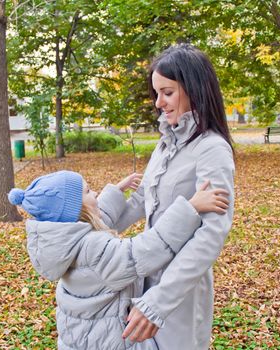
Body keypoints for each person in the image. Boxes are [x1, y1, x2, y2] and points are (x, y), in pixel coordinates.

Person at [98, 44, 235, 349]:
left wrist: (159, 301)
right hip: (145, 275)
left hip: (181, 294)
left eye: (167, 92)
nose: (159, 102)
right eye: (156, 93)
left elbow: (212, 233)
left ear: (194, 89)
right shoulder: (164, 145)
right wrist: (90, 220)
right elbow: (140, 202)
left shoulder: (211, 149)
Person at [8, 170, 230, 350]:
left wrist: (117, 190)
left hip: (81, 340)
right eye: (88, 191)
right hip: (106, 341)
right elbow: (140, 253)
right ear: (77, 210)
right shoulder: (92, 249)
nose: (94, 194)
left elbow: (98, 218)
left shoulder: (65, 242)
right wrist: (189, 208)